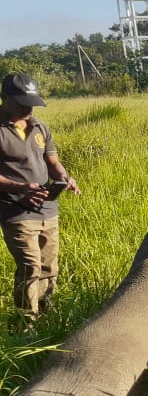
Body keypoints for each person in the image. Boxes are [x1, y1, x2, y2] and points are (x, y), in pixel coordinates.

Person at [0, 73, 80, 326]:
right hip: (15, 212)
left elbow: (52, 161)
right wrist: (20, 188)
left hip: (47, 209)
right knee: (30, 267)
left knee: (49, 267)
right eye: (22, 102)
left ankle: (47, 313)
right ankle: (27, 324)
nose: (29, 107)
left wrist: (65, 177)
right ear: (4, 98)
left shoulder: (40, 127)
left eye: (32, 102)